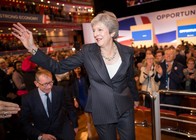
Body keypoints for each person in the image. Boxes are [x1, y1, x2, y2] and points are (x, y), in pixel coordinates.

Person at [12, 11, 139, 140]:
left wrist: (135, 98)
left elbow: (129, 79)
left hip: (125, 107)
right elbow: (58, 67)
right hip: (102, 110)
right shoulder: (87, 51)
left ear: (112, 32)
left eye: (100, 29)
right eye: (94, 30)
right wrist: (33, 48)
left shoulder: (127, 51)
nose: (95, 34)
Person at [19, 69, 75, 140]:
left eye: (51, 82)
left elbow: (70, 108)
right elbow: (25, 122)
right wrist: (40, 136)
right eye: (45, 84)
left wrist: (75, 125)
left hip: (64, 132)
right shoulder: (27, 99)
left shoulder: (60, 90)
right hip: (43, 133)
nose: (49, 87)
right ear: (36, 83)